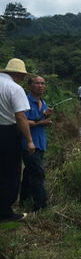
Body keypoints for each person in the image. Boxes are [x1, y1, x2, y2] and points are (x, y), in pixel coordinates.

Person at [0, 58, 35, 223]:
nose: (22, 78)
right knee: (11, 172)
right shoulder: (14, 88)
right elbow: (20, 116)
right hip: (8, 133)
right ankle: (5, 212)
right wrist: (29, 140)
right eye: (22, 75)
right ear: (17, 74)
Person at [20, 76, 53, 212]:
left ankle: (24, 201)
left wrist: (45, 115)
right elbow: (21, 121)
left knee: (29, 173)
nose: (40, 85)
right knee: (38, 173)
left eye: (42, 83)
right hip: (29, 144)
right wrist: (41, 122)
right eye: (37, 83)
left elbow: (38, 121)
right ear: (30, 85)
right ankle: (41, 206)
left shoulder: (43, 102)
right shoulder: (24, 101)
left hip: (40, 143)